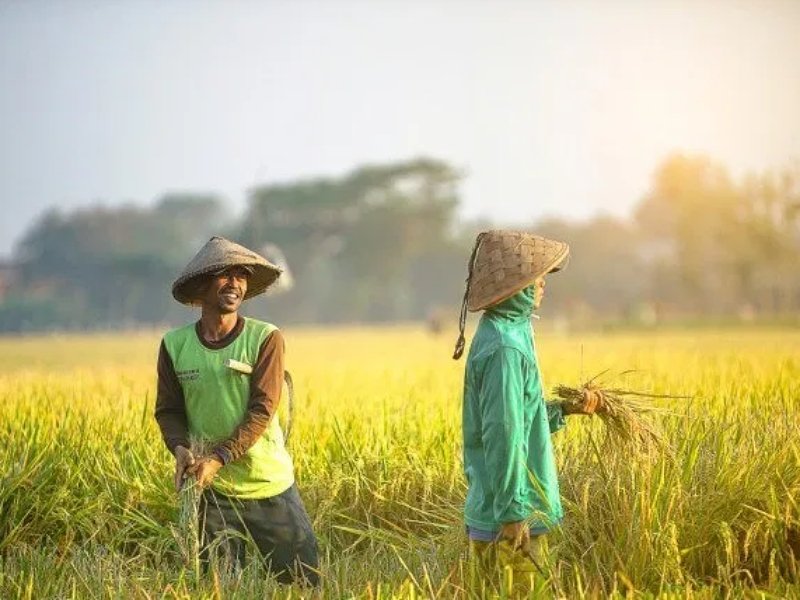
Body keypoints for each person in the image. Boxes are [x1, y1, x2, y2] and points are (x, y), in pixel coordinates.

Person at [155, 236, 319, 586]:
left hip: (267, 483)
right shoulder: (175, 345)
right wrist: (180, 448)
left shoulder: (265, 338)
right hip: (212, 491)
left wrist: (219, 457)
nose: (235, 283)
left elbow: (262, 410)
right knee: (220, 587)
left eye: (241, 275)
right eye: (224, 275)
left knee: (305, 583)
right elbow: (169, 411)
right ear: (201, 285)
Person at [451, 230, 600, 595]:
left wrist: (565, 409)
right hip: (513, 517)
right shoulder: (505, 347)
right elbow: (502, 435)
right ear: (517, 287)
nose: (543, 286)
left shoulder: (508, 332)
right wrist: (514, 513)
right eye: (537, 278)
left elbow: (519, 422)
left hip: (500, 508)